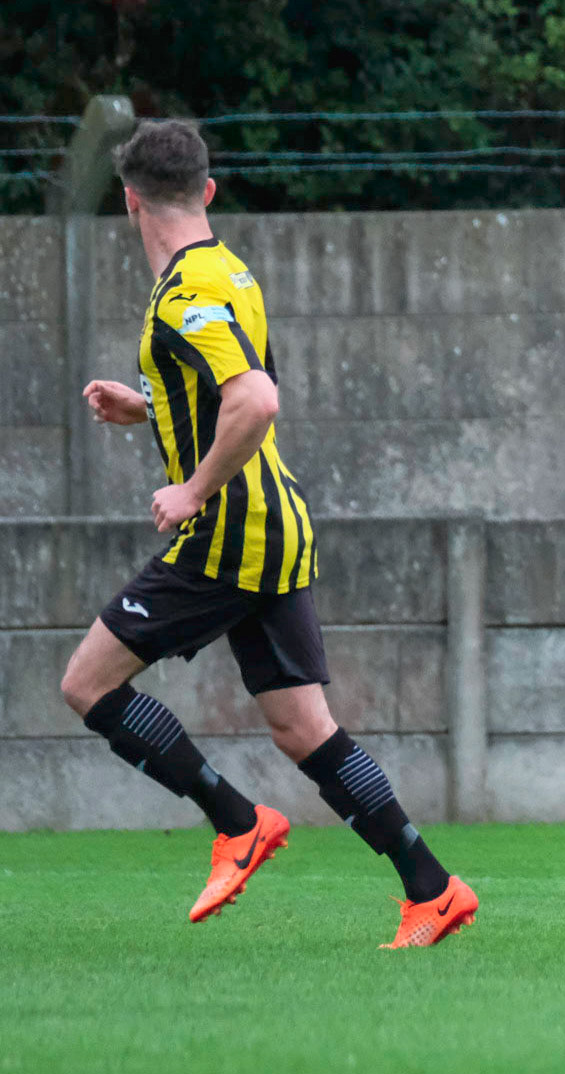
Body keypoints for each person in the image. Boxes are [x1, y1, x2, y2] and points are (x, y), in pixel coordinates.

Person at [60, 119, 478, 946]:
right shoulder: (231, 272)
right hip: (278, 522)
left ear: (130, 201)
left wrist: (191, 490)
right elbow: (233, 390)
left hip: (229, 532)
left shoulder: (182, 293)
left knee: (87, 684)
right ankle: (432, 889)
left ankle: (236, 820)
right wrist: (147, 407)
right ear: (208, 191)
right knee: (303, 728)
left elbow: (255, 399)